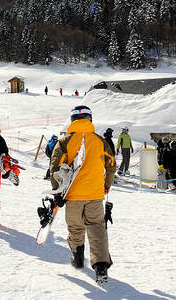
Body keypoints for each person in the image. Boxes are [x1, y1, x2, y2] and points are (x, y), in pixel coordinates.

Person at [48, 105, 116, 283]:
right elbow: (111, 165)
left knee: (76, 228)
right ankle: (101, 267)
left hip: (72, 195)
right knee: (97, 228)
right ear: (90, 119)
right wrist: (106, 185)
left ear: (72, 120)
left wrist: (57, 192)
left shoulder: (64, 141)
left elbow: (54, 168)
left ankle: (78, 259)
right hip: (94, 194)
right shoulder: (100, 141)